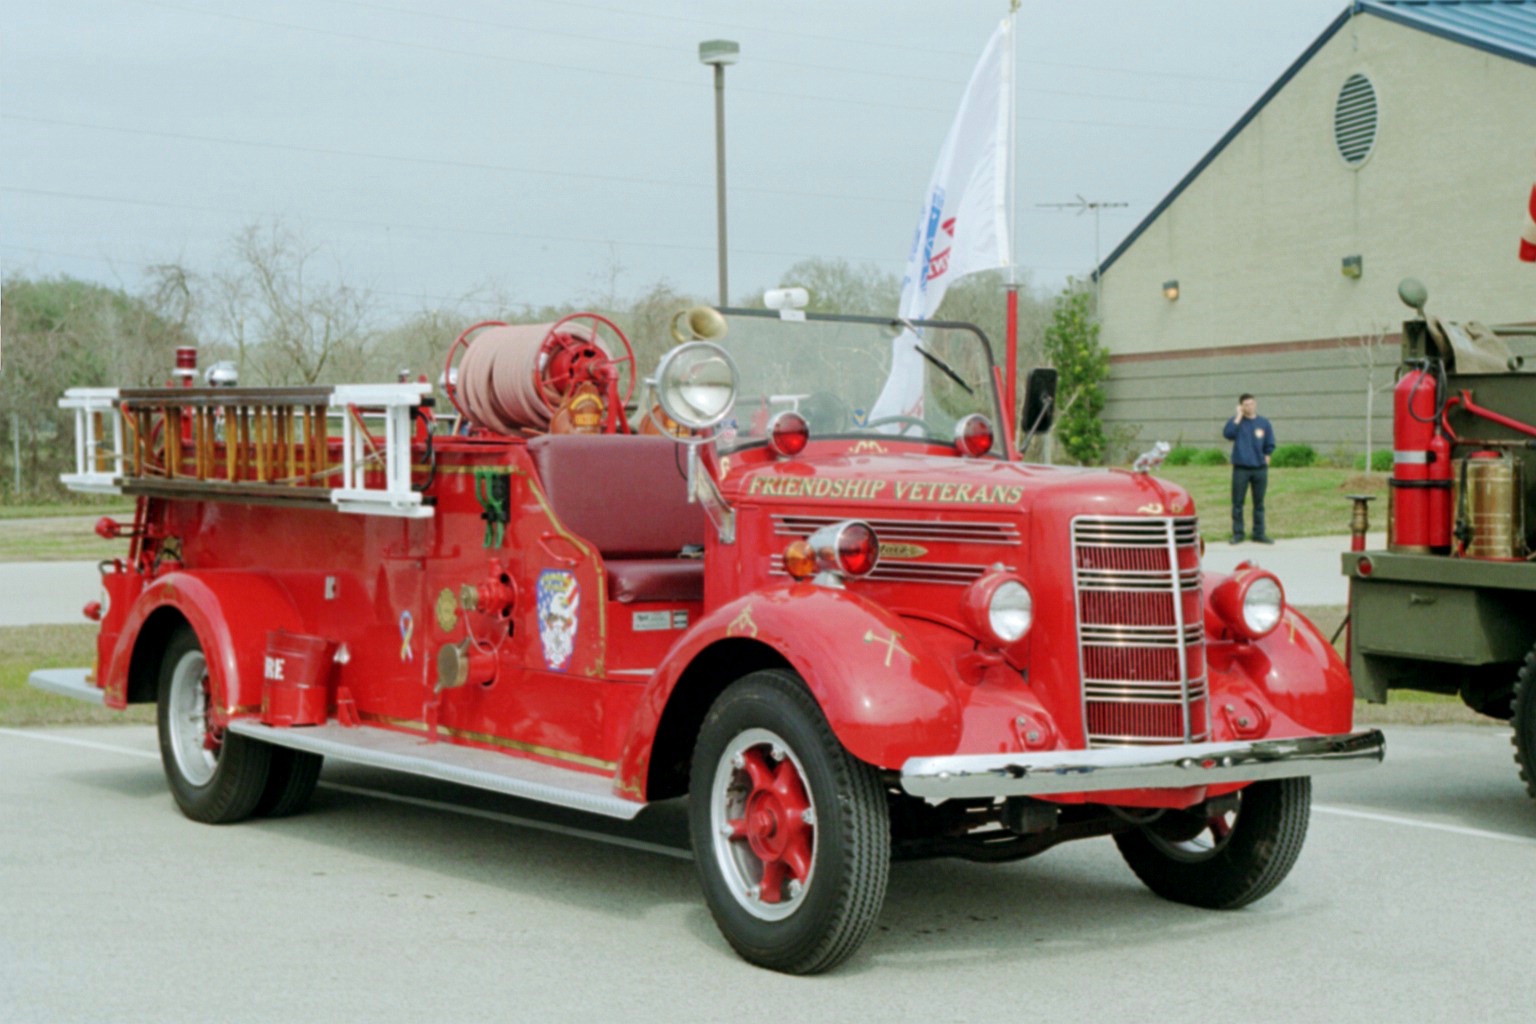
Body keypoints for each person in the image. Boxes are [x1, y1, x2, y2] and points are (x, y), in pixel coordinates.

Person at [1223, 393, 1275, 543]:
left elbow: (1270, 441)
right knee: (1238, 503)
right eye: (1245, 405)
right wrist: (1238, 416)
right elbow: (1228, 434)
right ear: (1241, 406)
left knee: (1259, 503)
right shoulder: (1237, 423)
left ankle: (1259, 533)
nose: (1249, 407)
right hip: (1241, 468)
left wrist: (1268, 454)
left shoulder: (1263, 422)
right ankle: (1238, 534)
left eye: (1251, 404)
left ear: (1255, 404)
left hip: (1259, 468)